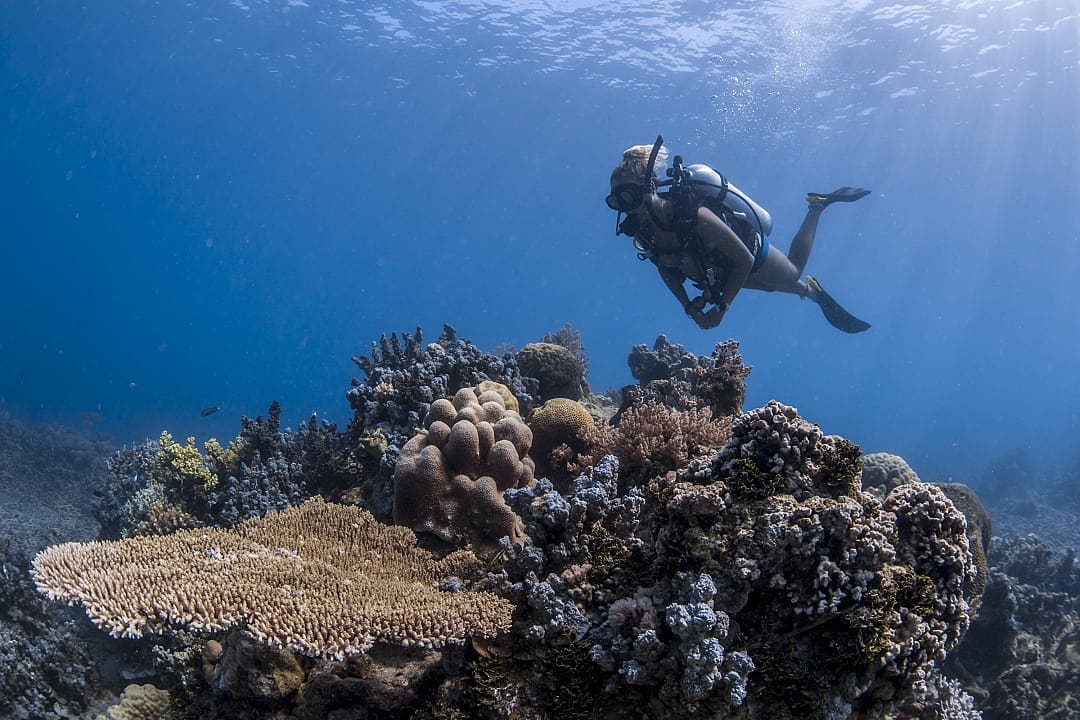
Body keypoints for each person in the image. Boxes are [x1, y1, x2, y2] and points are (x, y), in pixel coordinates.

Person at [605, 137, 872, 332]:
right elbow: (663, 267)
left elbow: (743, 261)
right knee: (768, 286)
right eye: (615, 201)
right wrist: (686, 304)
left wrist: (721, 310)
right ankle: (810, 292)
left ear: (648, 187)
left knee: (791, 272)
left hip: (748, 253)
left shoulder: (693, 215)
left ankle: (817, 207)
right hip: (718, 271)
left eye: (627, 195)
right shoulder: (643, 232)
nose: (624, 207)